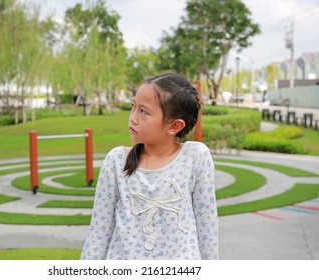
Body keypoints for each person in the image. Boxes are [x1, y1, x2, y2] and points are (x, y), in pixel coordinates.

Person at [81, 72, 218, 260]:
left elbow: (207, 227)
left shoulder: (195, 157)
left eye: (144, 111)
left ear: (174, 126)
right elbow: (98, 231)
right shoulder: (116, 161)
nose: (133, 118)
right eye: (133, 107)